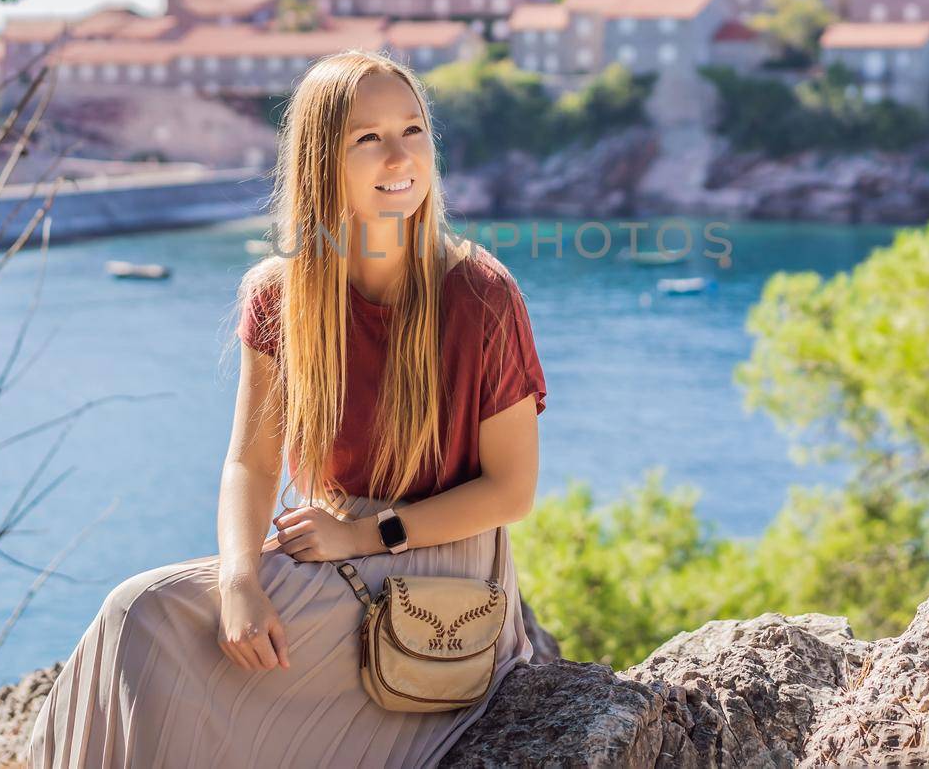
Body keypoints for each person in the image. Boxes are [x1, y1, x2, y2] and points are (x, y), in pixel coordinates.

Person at [27, 49, 547, 768]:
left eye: (414, 129)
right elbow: (252, 458)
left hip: (440, 575)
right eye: (368, 138)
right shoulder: (280, 293)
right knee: (137, 614)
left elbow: (511, 490)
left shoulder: (483, 292)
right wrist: (240, 577)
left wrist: (365, 535)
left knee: (146, 629)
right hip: (329, 549)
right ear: (320, 160)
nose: (400, 155)